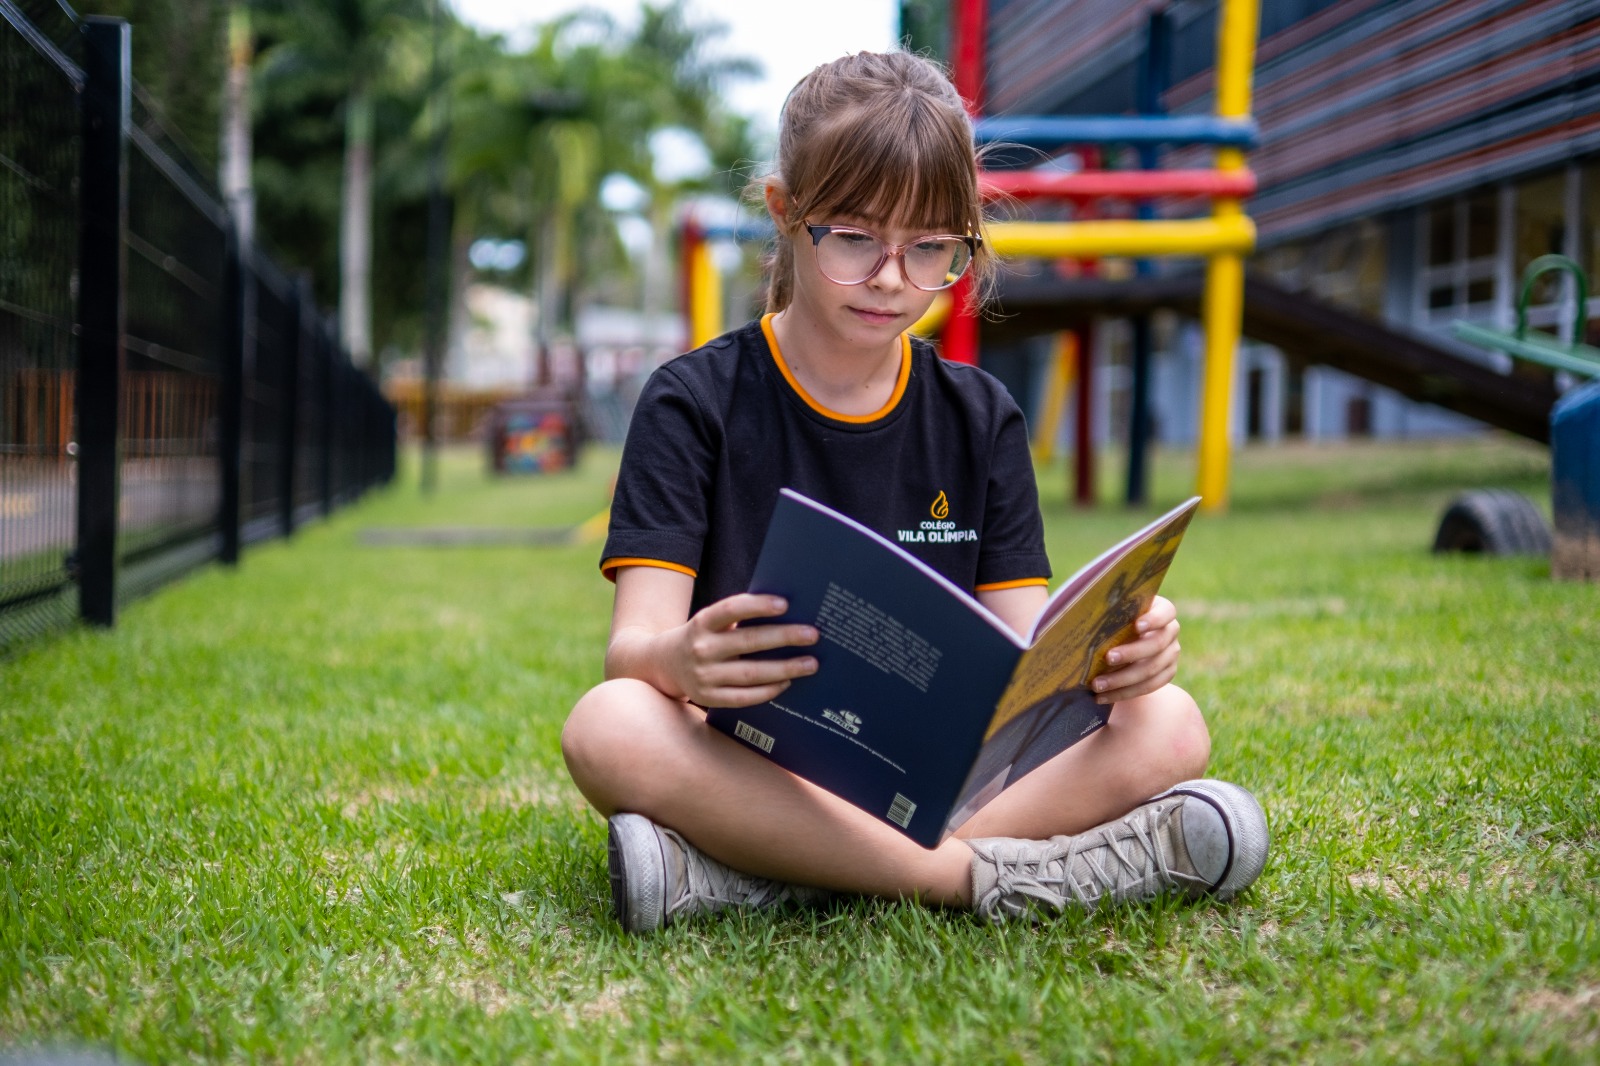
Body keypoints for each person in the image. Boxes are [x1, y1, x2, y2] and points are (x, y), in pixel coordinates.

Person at [561, 50, 1268, 933]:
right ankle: (996, 879)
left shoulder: (980, 416)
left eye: (931, 247)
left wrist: (1116, 660)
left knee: (1170, 722)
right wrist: (678, 661)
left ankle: (760, 875)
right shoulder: (694, 400)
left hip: (941, 779)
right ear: (786, 214)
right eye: (855, 238)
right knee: (609, 723)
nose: (894, 279)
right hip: (757, 762)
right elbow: (633, 650)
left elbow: (1020, 672)